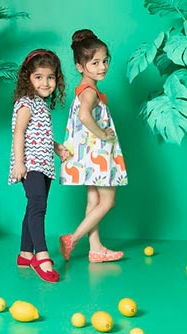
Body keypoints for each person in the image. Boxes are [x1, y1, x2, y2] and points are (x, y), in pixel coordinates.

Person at [59, 29, 128, 263]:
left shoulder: (87, 90)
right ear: (79, 66)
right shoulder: (89, 92)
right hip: (98, 154)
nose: (102, 67)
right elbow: (84, 116)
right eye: (95, 62)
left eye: (105, 61)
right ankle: (74, 238)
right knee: (108, 201)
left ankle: (96, 248)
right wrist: (103, 135)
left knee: (94, 201)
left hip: (88, 156)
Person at [8, 49, 68, 283]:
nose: (46, 82)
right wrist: (20, 163)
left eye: (50, 77)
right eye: (39, 77)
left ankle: (25, 253)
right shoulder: (25, 103)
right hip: (30, 163)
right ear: (28, 78)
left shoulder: (41, 105)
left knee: (34, 206)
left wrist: (56, 147)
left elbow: (39, 135)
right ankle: (41, 256)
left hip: (44, 163)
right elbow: (19, 133)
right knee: (38, 206)